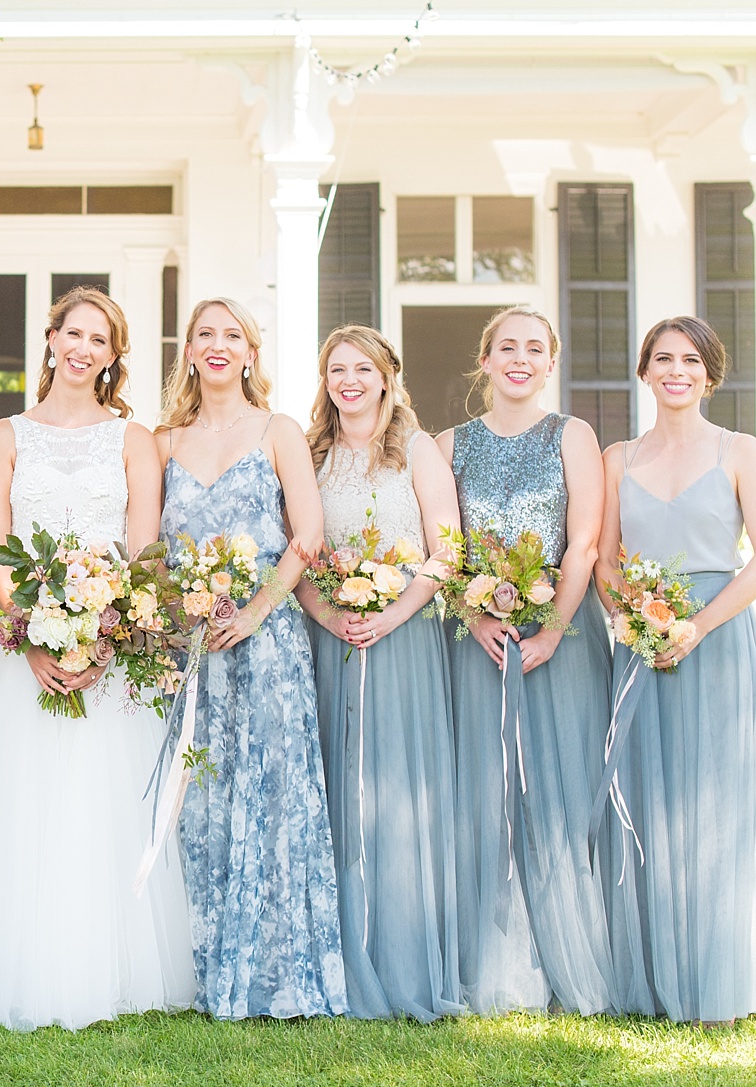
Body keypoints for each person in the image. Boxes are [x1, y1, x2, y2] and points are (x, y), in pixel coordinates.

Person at [0, 286, 196, 1030]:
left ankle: (116, 962)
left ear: (114, 356)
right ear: (50, 339)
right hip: (30, 651)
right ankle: (24, 956)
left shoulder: (132, 437)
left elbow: (142, 547)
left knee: (104, 801)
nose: (83, 348)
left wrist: (108, 633)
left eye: (99, 340)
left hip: (111, 646)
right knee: (28, 802)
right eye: (72, 333)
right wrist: (29, 633)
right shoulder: (5, 434)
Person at [596, 316, 756, 1024]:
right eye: (662, 358)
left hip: (718, 642)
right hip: (642, 644)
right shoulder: (617, 457)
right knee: (649, 797)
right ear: (645, 372)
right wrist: (635, 617)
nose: (676, 370)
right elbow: (604, 558)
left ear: (710, 373)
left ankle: (722, 977)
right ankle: (654, 974)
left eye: (690, 359)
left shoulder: (740, 450)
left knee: (719, 802)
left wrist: (696, 626)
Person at [153, 297, 347, 1019]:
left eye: (231, 334)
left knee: (272, 792)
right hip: (191, 646)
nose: (217, 345)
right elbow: (151, 550)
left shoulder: (278, 430)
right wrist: (184, 613)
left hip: (267, 643)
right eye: (204, 334)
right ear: (189, 351)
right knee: (200, 798)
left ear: (251, 352)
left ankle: (277, 972)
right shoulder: (164, 440)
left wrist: (259, 608)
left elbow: (309, 531)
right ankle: (201, 966)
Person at [436, 307, 616, 1016]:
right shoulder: (449, 444)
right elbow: (443, 545)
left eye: (533, 348)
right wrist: (473, 612)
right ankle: (491, 959)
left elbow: (584, 542)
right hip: (478, 645)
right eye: (505, 347)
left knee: (558, 792)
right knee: (483, 796)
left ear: (551, 362)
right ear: (484, 360)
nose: (519, 358)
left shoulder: (572, 435)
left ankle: (567, 952)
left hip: (557, 644)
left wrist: (554, 629)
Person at [298, 324, 464, 1021]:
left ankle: (401, 955)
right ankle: (336, 957)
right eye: (338, 368)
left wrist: (391, 614)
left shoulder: (418, 450)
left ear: (388, 376)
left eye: (363, 368)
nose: (350, 380)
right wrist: (329, 614)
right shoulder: (311, 454)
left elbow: (448, 547)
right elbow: (296, 555)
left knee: (401, 790)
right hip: (331, 636)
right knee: (336, 789)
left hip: (404, 639)